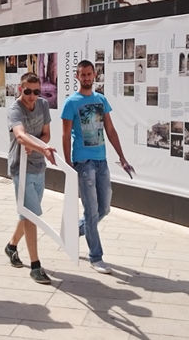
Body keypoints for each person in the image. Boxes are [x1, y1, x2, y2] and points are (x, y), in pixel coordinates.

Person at [61, 60, 131, 275]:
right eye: (82, 74)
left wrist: (122, 156)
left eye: (89, 74)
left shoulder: (101, 100)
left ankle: (72, 232)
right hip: (83, 162)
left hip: (102, 161)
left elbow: (110, 130)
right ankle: (96, 257)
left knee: (104, 208)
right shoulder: (71, 102)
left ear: (95, 75)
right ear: (77, 76)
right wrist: (69, 164)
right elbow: (65, 134)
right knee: (91, 212)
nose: (86, 78)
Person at [4, 72, 57, 284]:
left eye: (36, 91)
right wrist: (34, 145)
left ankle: (11, 246)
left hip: (38, 167)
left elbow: (46, 134)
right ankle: (35, 265)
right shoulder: (14, 109)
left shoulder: (43, 105)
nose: (32, 96)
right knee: (32, 215)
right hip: (20, 168)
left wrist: (35, 146)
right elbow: (19, 134)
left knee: (28, 214)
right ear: (20, 89)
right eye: (27, 91)